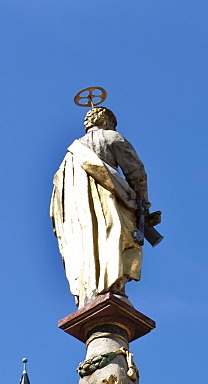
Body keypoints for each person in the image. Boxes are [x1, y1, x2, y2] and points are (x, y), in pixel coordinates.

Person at [51, 106, 152, 306]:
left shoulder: (68, 157)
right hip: (110, 203)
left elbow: (57, 199)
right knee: (114, 237)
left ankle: (88, 288)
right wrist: (143, 203)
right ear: (107, 122)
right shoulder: (111, 137)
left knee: (88, 245)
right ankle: (113, 285)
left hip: (78, 215)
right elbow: (136, 172)